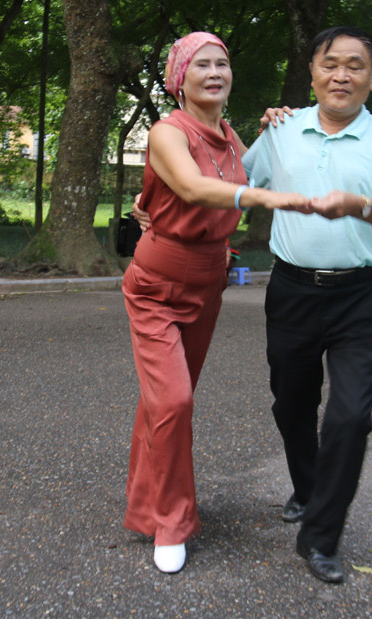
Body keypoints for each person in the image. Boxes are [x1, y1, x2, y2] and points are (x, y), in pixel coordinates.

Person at [121, 32, 311, 575]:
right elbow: (194, 188)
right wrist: (266, 199)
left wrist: (276, 130)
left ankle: (143, 504)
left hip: (208, 284)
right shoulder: (167, 131)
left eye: (222, 63)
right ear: (179, 78)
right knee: (174, 402)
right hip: (156, 285)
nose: (214, 71)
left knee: (161, 404)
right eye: (201, 64)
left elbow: (251, 171)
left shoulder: (228, 136)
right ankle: (171, 522)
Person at [244, 26, 372, 585]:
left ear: (370, 77)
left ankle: (321, 535)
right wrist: (157, 206)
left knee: (350, 416)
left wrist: (358, 205)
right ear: (313, 73)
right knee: (291, 404)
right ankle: (306, 485)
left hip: (360, 298)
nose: (342, 75)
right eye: (331, 64)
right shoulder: (282, 129)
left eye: (356, 65)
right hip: (291, 290)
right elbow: (230, 183)